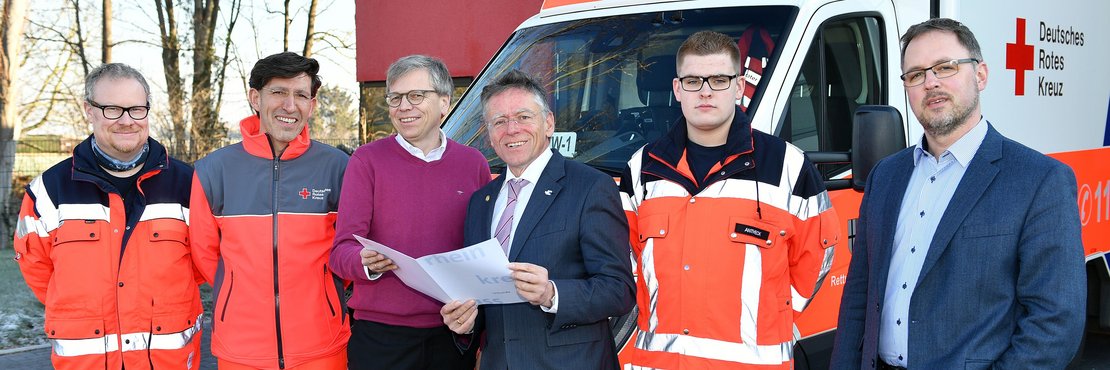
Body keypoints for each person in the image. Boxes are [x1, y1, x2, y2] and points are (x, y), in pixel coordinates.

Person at [830, 18, 1085, 370]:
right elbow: (858, 299)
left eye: (945, 67)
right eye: (915, 74)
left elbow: (1055, 323)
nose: (930, 82)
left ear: (980, 75)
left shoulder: (1040, 181)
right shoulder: (885, 177)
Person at [617, 30, 839, 369]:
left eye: (718, 80)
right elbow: (627, 261)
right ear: (678, 90)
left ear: (738, 87)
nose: (705, 91)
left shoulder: (786, 165)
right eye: (693, 81)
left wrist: (776, 312)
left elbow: (817, 256)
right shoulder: (644, 168)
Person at [439, 70, 635, 369]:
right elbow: (483, 296)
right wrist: (466, 323)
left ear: (549, 124)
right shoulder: (481, 202)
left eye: (523, 117)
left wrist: (552, 293)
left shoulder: (591, 187)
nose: (512, 129)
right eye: (500, 122)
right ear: (490, 135)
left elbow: (619, 290)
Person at [13, 63, 201, 369]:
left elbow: (202, 263)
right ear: (89, 111)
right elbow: (38, 270)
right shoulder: (49, 190)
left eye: (137, 109)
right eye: (113, 109)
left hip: (167, 360)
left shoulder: (188, 184)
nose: (127, 121)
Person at [190, 52, 350, 369]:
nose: (290, 105)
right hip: (241, 349)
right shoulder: (213, 170)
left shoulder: (338, 167)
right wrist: (239, 294)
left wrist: (324, 297)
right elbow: (206, 255)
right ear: (255, 98)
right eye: (278, 92)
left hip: (322, 345)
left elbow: (348, 248)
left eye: (301, 95)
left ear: (312, 105)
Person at [328, 55, 488, 370]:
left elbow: (483, 251)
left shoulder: (474, 164)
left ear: (444, 102)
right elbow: (340, 251)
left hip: (452, 332)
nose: (403, 106)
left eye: (416, 96)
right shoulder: (366, 161)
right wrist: (364, 263)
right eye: (395, 98)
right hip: (381, 337)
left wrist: (479, 327)